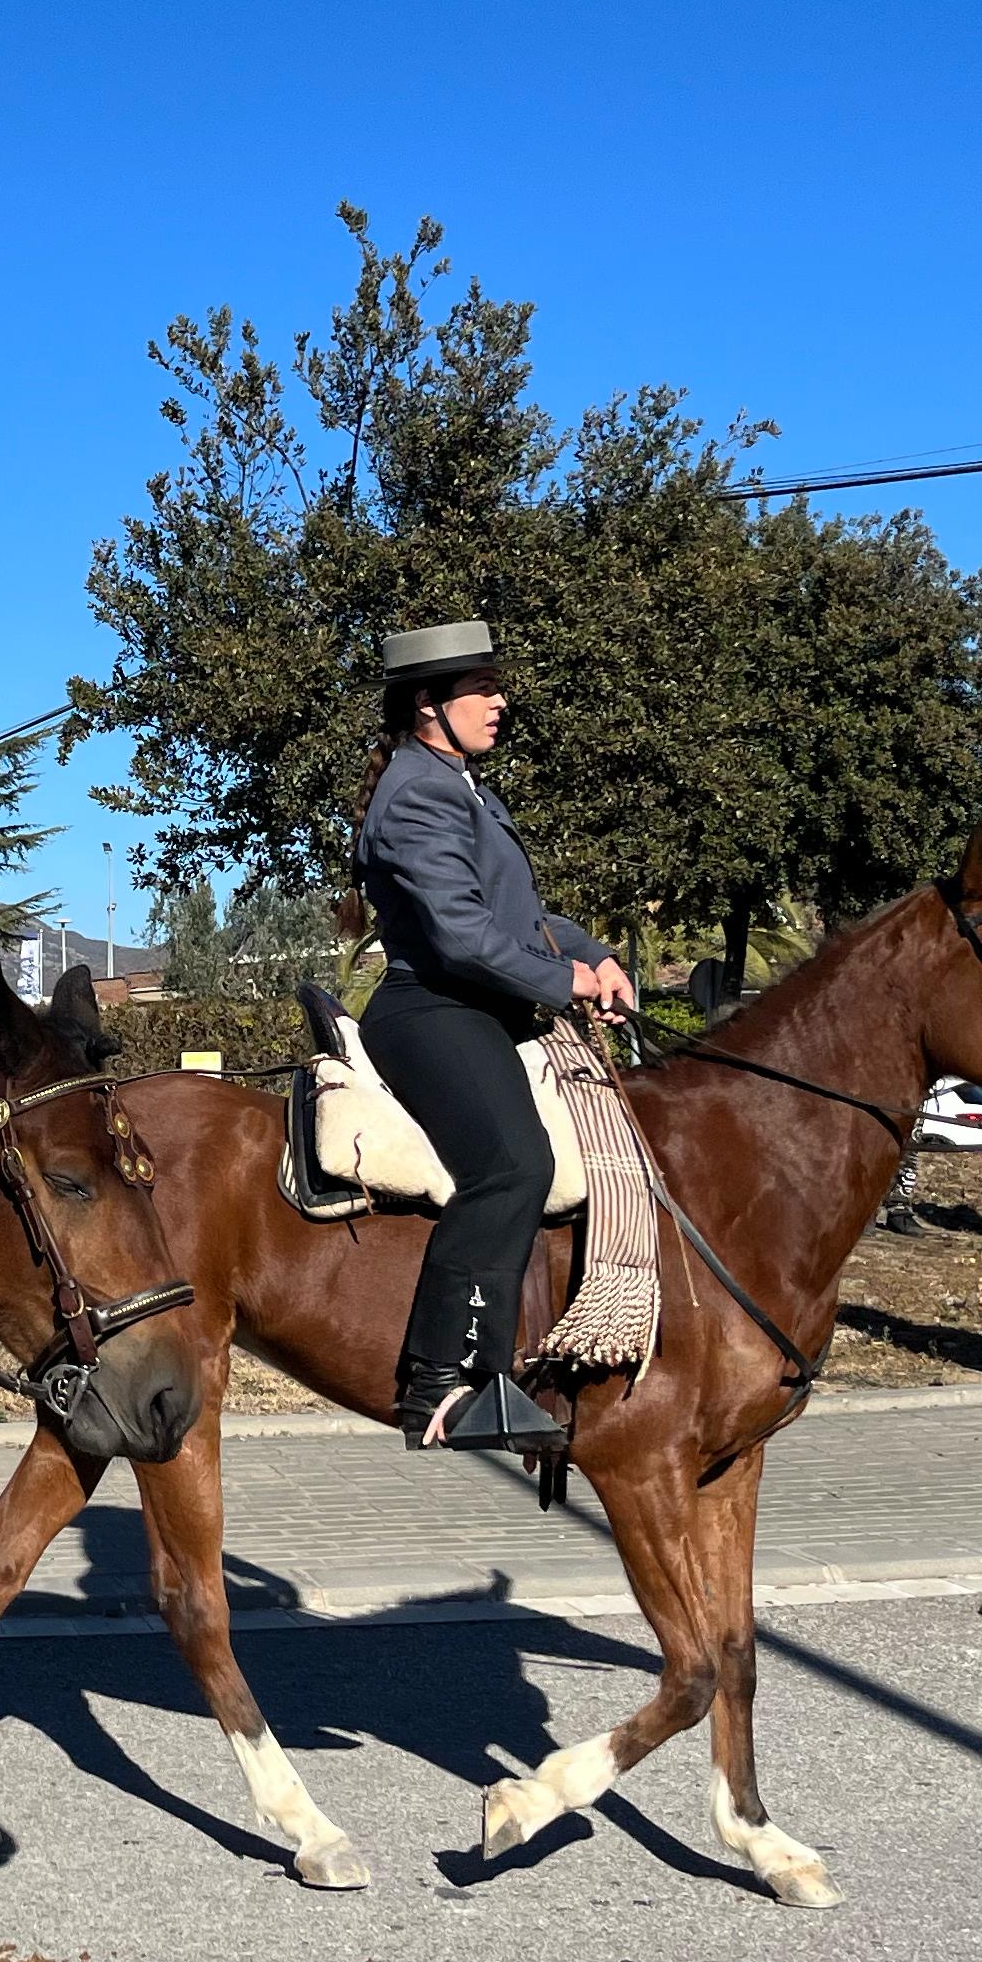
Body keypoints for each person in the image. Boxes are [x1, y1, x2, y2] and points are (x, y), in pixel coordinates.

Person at [350, 619, 637, 1456]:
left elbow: (521, 918)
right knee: (513, 1165)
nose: (500, 702)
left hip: (478, 1004)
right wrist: (564, 984)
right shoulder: (419, 792)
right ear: (429, 704)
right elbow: (462, 936)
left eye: (497, 686)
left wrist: (595, 955)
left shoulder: (466, 786)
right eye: (483, 688)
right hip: (434, 1011)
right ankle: (444, 1379)